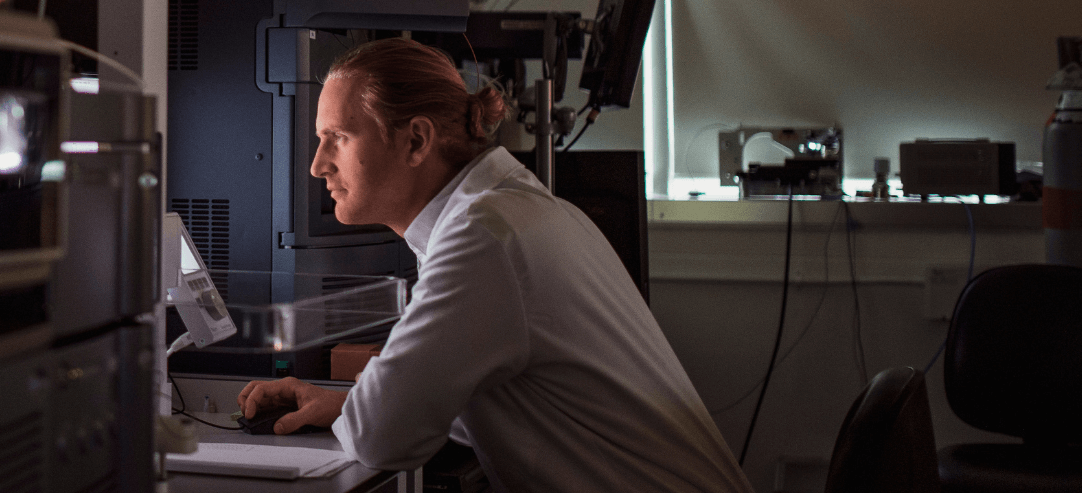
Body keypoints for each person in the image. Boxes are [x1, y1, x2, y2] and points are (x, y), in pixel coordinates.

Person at [237, 38, 752, 492]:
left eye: (339, 138)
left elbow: (380, 437)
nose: (318, 164)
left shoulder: (483, 238)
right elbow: (477, 398)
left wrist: (362, 411)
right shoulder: (513, 210)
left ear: (416, 140)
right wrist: (344, 406)